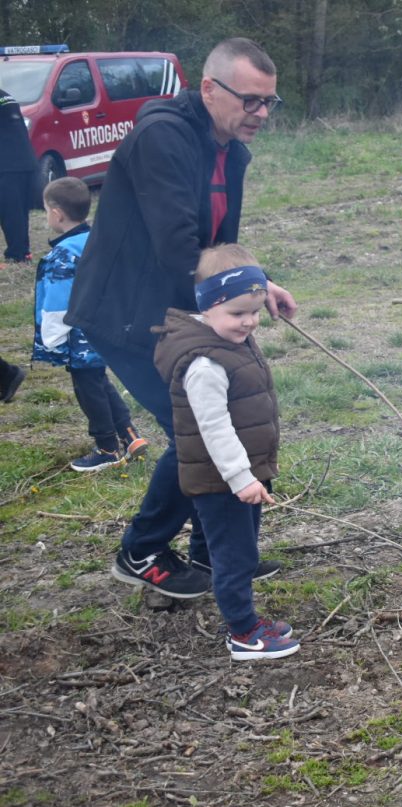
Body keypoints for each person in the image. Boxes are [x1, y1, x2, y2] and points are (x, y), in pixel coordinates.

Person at [66, 38, 295, 599]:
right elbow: (176, 248)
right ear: (210, 89)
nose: (261, 114)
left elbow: (219, 244)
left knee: (227, 415)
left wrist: (256, 283)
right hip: (125, 312)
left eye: (270, 103)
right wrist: (239, 291)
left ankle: (214, 553)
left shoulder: (232, 152)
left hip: (180, 307)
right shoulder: (161, 136)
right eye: (251, 101)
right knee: (189, 429)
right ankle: (141, 550)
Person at [153, 245, 297, 660]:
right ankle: (244, 634)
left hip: (241, 476)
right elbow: (213, 427)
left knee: (242, 549)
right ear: (208, 306)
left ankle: (246, 620)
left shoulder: (230, 340)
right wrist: (241, 478)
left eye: (253, 312)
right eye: (238, 313)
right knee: (234, 556)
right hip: (222, 482)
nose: (249, 321)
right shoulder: (204, 364)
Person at [32, 177, 148, 472]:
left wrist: (52, 337)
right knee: (98, 380)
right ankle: (130, 434)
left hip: (79, 334)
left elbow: (58, 301)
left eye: (46, 210)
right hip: (108, 327)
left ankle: (107, 447)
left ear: (56, 213)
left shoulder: (62, 254)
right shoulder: (99, 240)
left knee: (87, 387)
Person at [1, 86, 36, 263]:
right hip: (20, 161)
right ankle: (21, 252)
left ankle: (18, 255)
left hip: (8, 164)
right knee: (18, 211)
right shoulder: (5, 96)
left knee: (11, 212)